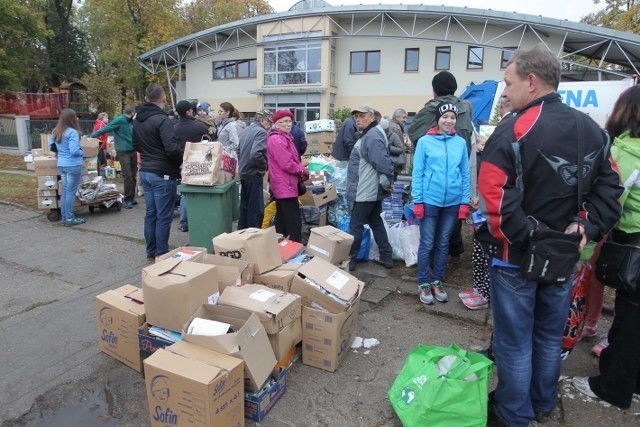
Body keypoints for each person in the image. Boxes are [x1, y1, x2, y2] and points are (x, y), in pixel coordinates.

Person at [476, 46, 622, 426]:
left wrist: (535, 236)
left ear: (531, 81)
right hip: (561, 255)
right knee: (546, 337)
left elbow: (492, 198)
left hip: (517, 258)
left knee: (514, 342)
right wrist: (584, 229)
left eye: (509, 83)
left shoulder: (515, 128)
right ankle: (540, 404)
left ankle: (515, 413)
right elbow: (612, 189)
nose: (505, 92)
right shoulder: (591, 128)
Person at [570, 85, 640, 410]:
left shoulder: (627, 151)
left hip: (635, 245)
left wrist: (583, 251)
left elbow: (611, 203)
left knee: (630, 320)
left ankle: (613, 387)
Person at [412, 102, 470, 305]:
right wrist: (417, 200)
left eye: (453, 117)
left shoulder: (460, 143)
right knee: (427, 242)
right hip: (430, 201)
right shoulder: (425, 142)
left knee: (444, 242)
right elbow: (417, 173)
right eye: (445, 117)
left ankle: (438, 280)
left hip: (452, 202)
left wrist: (464, 201)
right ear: (438, 119)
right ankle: (423, 281)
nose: (449, 120)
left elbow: (464, 173)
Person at [133, 83, 184, 261]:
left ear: (147, 98)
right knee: (163, 215)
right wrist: (180, 161)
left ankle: (151, 250)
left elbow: (136, 145)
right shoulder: (163, 120)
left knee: (151, 213)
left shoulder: (137, 119)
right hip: (162, 173)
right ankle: (161, 252)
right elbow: (171, 149)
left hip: (146, 170)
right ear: (163, 98)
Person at [346, 105, 395, 272]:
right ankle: (386, 256)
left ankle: (350, 259)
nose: (358, 119)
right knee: (375, 221)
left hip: (365, 190)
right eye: (356, 116)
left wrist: (389, 180)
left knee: (356, 225)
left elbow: (381, 161)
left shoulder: (371, 136)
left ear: (372, 117)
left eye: (362, 116)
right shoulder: (371, 133)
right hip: (370, 189)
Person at [266, 110, 308, 243]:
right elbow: (287, 163)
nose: (287, 124)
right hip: (285, 186)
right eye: (283, 121)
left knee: (283, 219)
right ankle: (295, 248)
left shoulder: (285, 137)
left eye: (289, 121)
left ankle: (283, 247)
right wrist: (302, 170)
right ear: (276, 124)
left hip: (285, 185)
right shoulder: (277, 139)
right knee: (292, 222)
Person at [90, 105, 137, 208]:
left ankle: (132, 197)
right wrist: (91, 137)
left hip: (132, 150)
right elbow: (105, 128)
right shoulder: (120, 120)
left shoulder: (131, 121)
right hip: (123, 151)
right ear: (133, 113)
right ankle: (128, 199)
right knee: (128, 175)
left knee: (133, 175)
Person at [173, 100, 209, 232]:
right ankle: (201, 220)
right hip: (201, 163)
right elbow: (210, 143)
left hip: (183, 163)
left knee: (185, 194)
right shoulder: (199, 126)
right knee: (202, 193)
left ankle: (184, 222)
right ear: (188, 111)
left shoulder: (174, 127)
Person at [49, 108, 86, 227]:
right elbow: (74, 150)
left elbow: (51, 147)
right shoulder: (72, 132)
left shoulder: (56, 131)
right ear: (72, 119)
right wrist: (82, 152)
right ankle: (69, 219)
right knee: (70, 192)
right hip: (73, 164)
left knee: (65, 192)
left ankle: (65, 217)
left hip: (61, 163)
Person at [238, 109, 273, 229]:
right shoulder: (261, 132)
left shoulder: (246, 130)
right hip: (253, 173)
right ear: (262, 120)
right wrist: (263, 167)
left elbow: (238, 151)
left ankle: (240, 236)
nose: (270, 125)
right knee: (255, 211)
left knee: (244, 209)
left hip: (244, 172)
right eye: (269, 122)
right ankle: (254, 239)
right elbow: (256, 154)